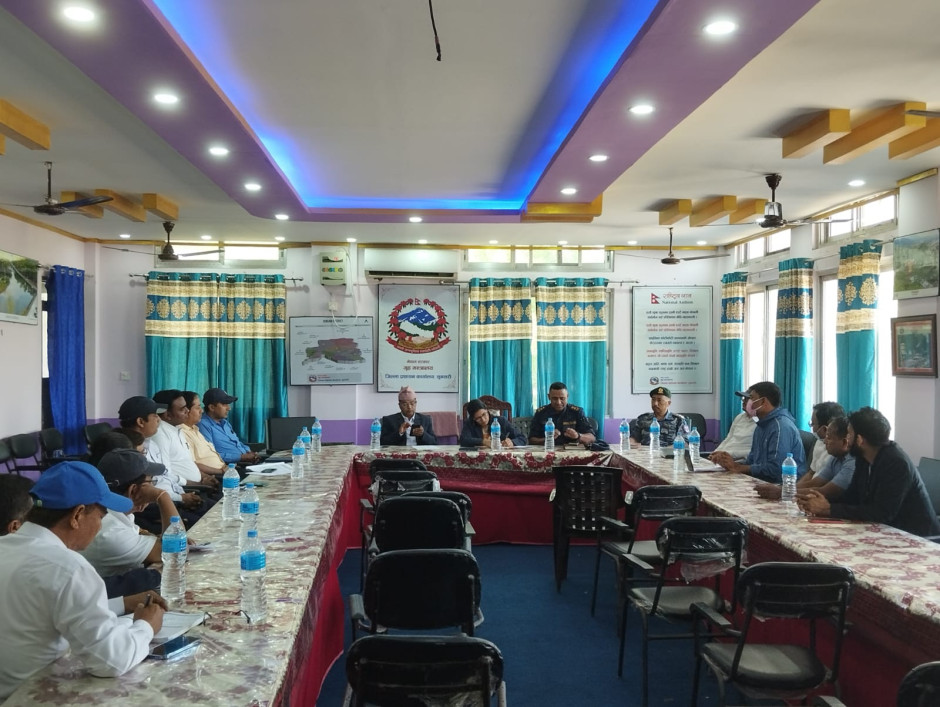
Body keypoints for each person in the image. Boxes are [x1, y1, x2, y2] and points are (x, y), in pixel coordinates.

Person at [0, 461, 166, 700]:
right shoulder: (67, 568)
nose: (99, 527)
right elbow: (111, 661)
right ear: (77, 515)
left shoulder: (7, 545)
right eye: (100, 517)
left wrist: (121, 603)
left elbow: (47, 609)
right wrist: (146, 626)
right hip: (31, 696)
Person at [798, 407, 940, 537]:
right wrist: (818, 502)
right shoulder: (864, 457)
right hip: (883, 532)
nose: (847, 439)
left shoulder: (896, 462)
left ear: (859, 440)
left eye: (849, 434)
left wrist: (829, 509)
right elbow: (852, 497)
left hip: (916, 537)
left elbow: (881, 513)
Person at [79, 449, 177, 593]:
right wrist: (162, 496)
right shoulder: (111, 530)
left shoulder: (113, 513)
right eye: (151, 483)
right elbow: (176, 552)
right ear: (133, 490)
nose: (154, 487)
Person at [119, 395, 204, 530]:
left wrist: (184, 492)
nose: (159, 420)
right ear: (141, 421)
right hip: (154, 506)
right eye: (155, 416)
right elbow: (146, 490)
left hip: (174, 497)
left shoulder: (151, 444)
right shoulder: (130, 451)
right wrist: (180, 498)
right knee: (203, 525)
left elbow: (166, 474)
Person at [710, 381, 805, 482]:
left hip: (782, 485)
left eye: (751, 398)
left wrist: (739, 467)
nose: (747, 402)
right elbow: (752, 461)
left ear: (763, 401)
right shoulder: (761, 425)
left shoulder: (780, 427)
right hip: (760, 480)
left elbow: (776, 469)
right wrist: (730, 463)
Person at [757, 415, 855, 500]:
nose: (825, 441)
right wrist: (782, 489)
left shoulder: (852, 462)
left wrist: (782, 492)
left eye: (829, 438)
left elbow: (825, 491)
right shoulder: (835, 458)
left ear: (844, 442)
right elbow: (815, 482)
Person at [151, 389, 212, 486]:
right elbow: (165, 475)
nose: (187, 411)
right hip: (183, 490)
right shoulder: (160, 434)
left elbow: (186, 463)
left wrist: (205, 477)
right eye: (182, 409)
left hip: (198, 485)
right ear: (167, 415)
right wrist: (199, 485)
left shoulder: (177, 428)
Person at [198, 387, 261, 464]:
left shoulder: (225, 423)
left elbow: (237, 443)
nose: (229, 408)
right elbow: (209, 455)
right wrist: (242, 457)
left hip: (245, 462)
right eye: (224, 404)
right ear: (212, 407)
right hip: (229, 466)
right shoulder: (203, 425)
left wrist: (249, 452)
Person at [528, 382, 596, 446]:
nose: (558, 402)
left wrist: (578, 436)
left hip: (571, 451)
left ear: (567, 396)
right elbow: (531, 440)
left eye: (562, 398)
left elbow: (592, 438)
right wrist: (548, 439)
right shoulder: (541, 413)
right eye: (554, 398)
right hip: (547, 450)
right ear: (549, 397)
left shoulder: (577, 412)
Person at [180, 390, 227, 476]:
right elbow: (192, 465)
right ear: (186, 411)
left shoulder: (195, 429)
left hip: (225, 471)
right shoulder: (182, 433)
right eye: (198, 407)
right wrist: (222, 472)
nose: (201, 411)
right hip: (213, 476)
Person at [459, 398, 527, 448]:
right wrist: (483, 441)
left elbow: (522, 438)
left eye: (484, 414)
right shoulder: (470, 423)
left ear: (487, 410)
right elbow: (463, 440)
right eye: (478, 418)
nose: (483, 420)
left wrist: (512, 442)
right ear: (473, 418)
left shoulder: (501, 421)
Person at [710, 391, 756, 461]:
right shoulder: (739, 417)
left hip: (739, 461)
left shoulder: (760, 423)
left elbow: (755, 452)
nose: (743, 401)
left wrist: (727, 454)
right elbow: (728, 438)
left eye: (747, 399)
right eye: (743, 399)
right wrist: (715, 453)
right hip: (724, 457)